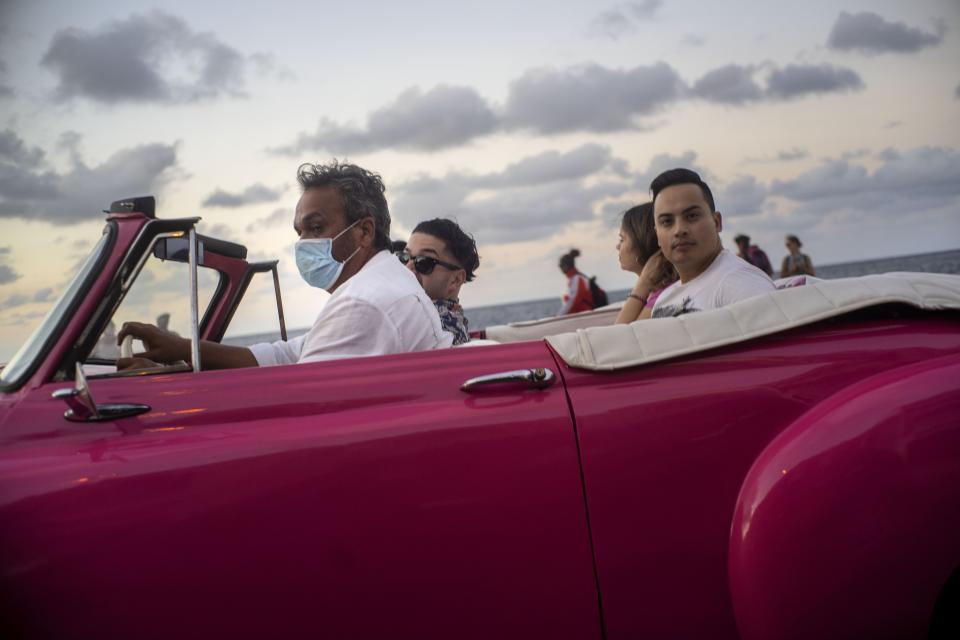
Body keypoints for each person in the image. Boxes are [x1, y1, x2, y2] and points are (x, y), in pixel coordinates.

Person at [117, 160, 451, 369]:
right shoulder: (379, 282)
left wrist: (164, 387)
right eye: (300, 231)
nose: (304, 242)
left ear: (364, 231)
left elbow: (299, 402)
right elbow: (288, 355)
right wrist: (184, 350)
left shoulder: (364, 302)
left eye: (317, 228)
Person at [644, 168, 774, 318]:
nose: (679, 230)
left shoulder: (740, 285)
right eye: (667, 221)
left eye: (692, 216)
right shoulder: (664, 299)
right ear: (657, 236)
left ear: (716, 222)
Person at [399, 218, 480, 346]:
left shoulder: (435, 329)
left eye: (424, 261)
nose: (408, 267)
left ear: (456, 279)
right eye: (404, 257)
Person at [615, 203, 677, 324]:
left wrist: (642, 283)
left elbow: (618, 337)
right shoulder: (658, 291)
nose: (617, 246)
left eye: (622, 239)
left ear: (641, 243)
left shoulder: (663, 296)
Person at [558, 249, 596, 314]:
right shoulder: (574, 278)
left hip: (585, 315)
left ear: (566, 266)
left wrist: (559, 315)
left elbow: (573, 301)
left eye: (561, 266)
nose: (560, 268)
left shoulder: (577, 279)